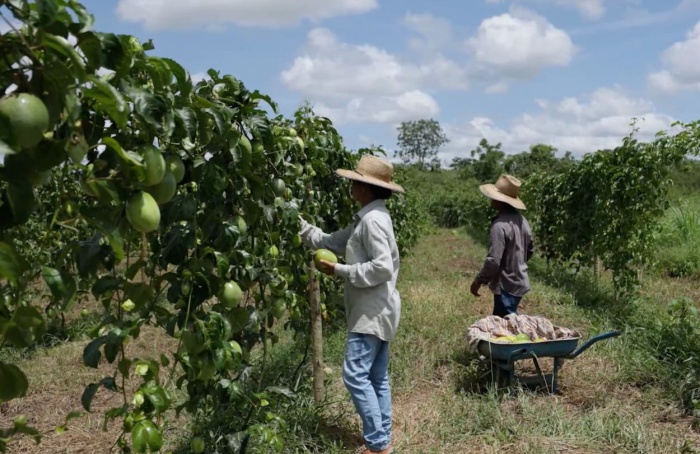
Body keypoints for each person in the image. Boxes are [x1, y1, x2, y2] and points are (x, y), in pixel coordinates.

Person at [298, 155, 403, 454]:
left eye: (356, 181)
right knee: (375, 377)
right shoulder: (368, 219)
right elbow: (330, 241)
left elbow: (382, 267)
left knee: (355, 375)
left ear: (366, 189)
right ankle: (382, 437)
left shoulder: (372, 222)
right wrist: (299, 224)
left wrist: (341, 270)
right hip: (378, 309)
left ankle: (378, 444)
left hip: (371, 313)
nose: (351, 185)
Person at [470, 174, 534, 317]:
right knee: (506, 321)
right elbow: (530, 249)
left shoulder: (499, 225)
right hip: (520, 280)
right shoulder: (523, 221)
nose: (491, 200)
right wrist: (516, 264)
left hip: (506, 284)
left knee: (506, 328)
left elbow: (494, 260)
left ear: (501, 201)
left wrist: (479, 280)